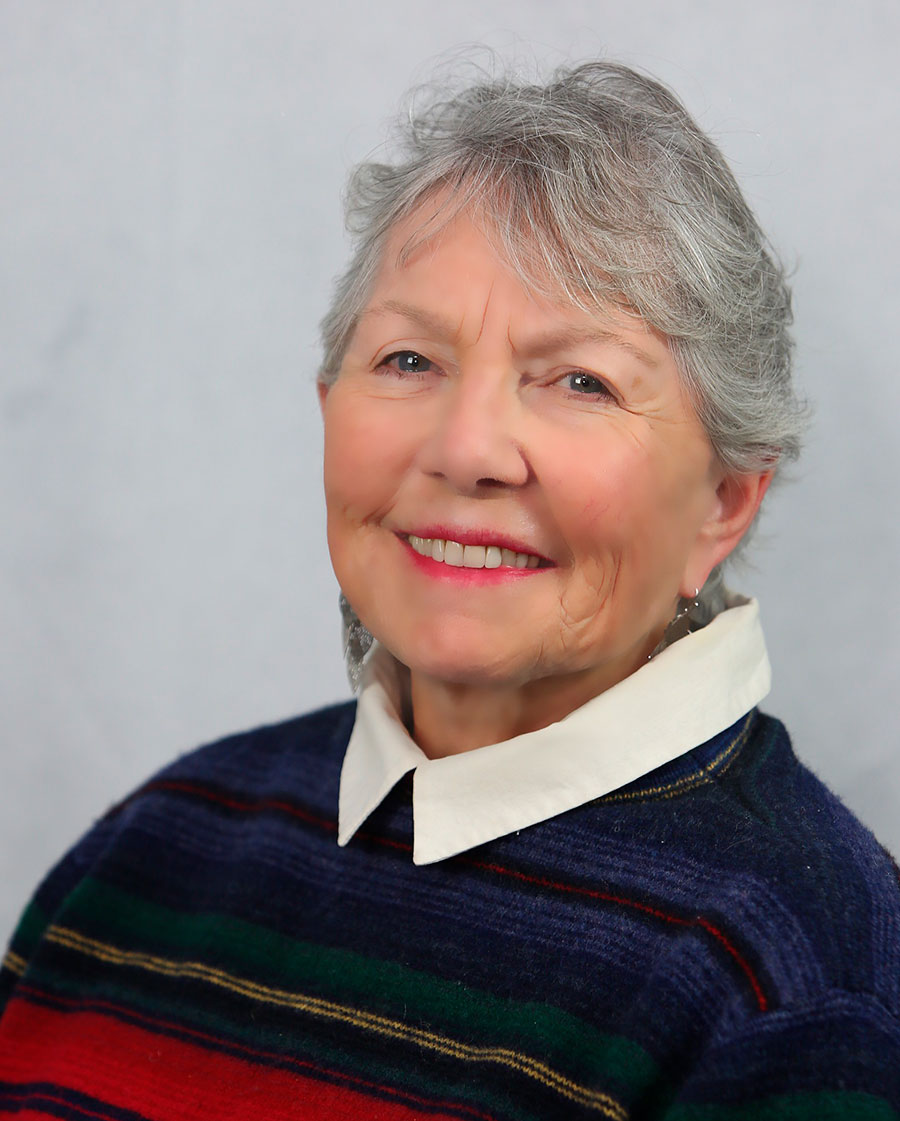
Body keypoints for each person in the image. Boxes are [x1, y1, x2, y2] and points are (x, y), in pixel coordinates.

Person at [1, 59, 898, 1120]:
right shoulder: (156, 840)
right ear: (328, 407)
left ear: (723, 501)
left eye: (580, 380)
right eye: (410, 360)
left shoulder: (797, 981)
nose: (468, 448)